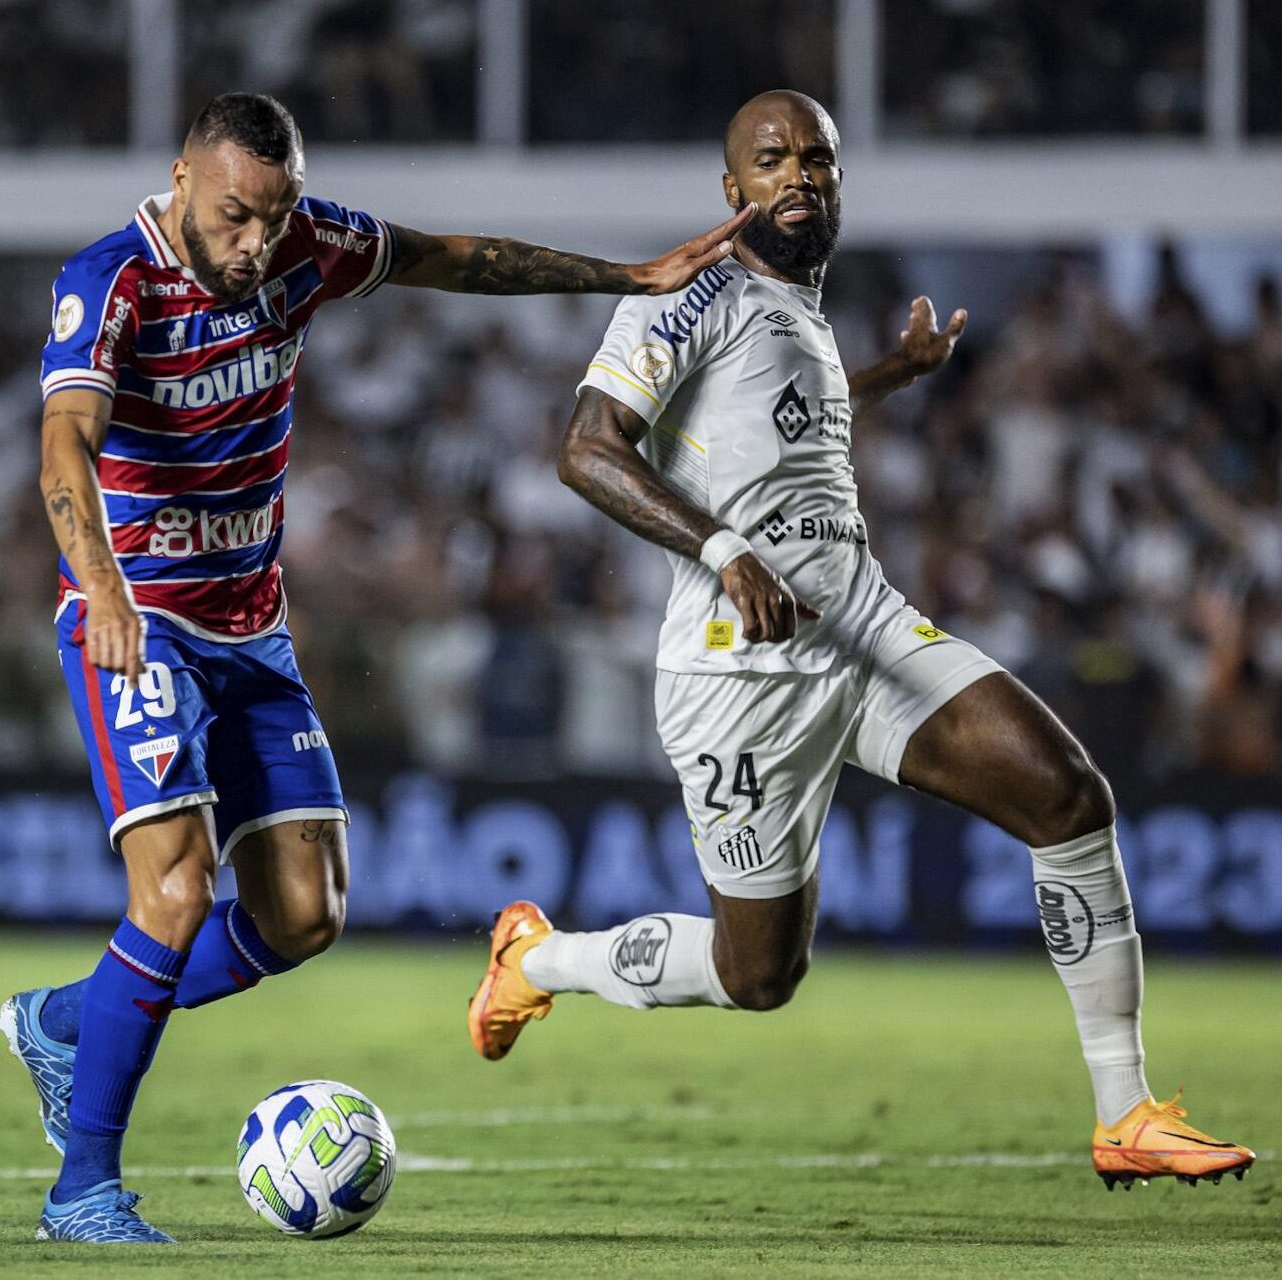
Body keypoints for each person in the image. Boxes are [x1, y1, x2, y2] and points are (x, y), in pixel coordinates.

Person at [467, 90, 1253, 1192]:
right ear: (730, 188)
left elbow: (776, 426)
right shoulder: (691, 290)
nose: (798, 177)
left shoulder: (795, 311)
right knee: (757, 975)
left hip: (859, 627)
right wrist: (723, 548)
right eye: (772, 159)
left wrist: (883, 375)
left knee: (1067, 797)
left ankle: (1123, 1109)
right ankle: (534, 959)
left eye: (818, 163)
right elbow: (586, 451)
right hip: (736, 673)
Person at [6, 91, 756, 1244]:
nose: (255, 242)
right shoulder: (111, 279)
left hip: (250, 626)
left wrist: (626, 276)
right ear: (179, 181)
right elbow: (65, 434)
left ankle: (69, 1017)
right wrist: (99, 582)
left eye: (274, 215)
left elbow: (459, 258)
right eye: (233, 215)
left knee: (306, 912)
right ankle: (84, 1190)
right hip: (137, 620)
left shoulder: (304, 248)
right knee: (172, 892)